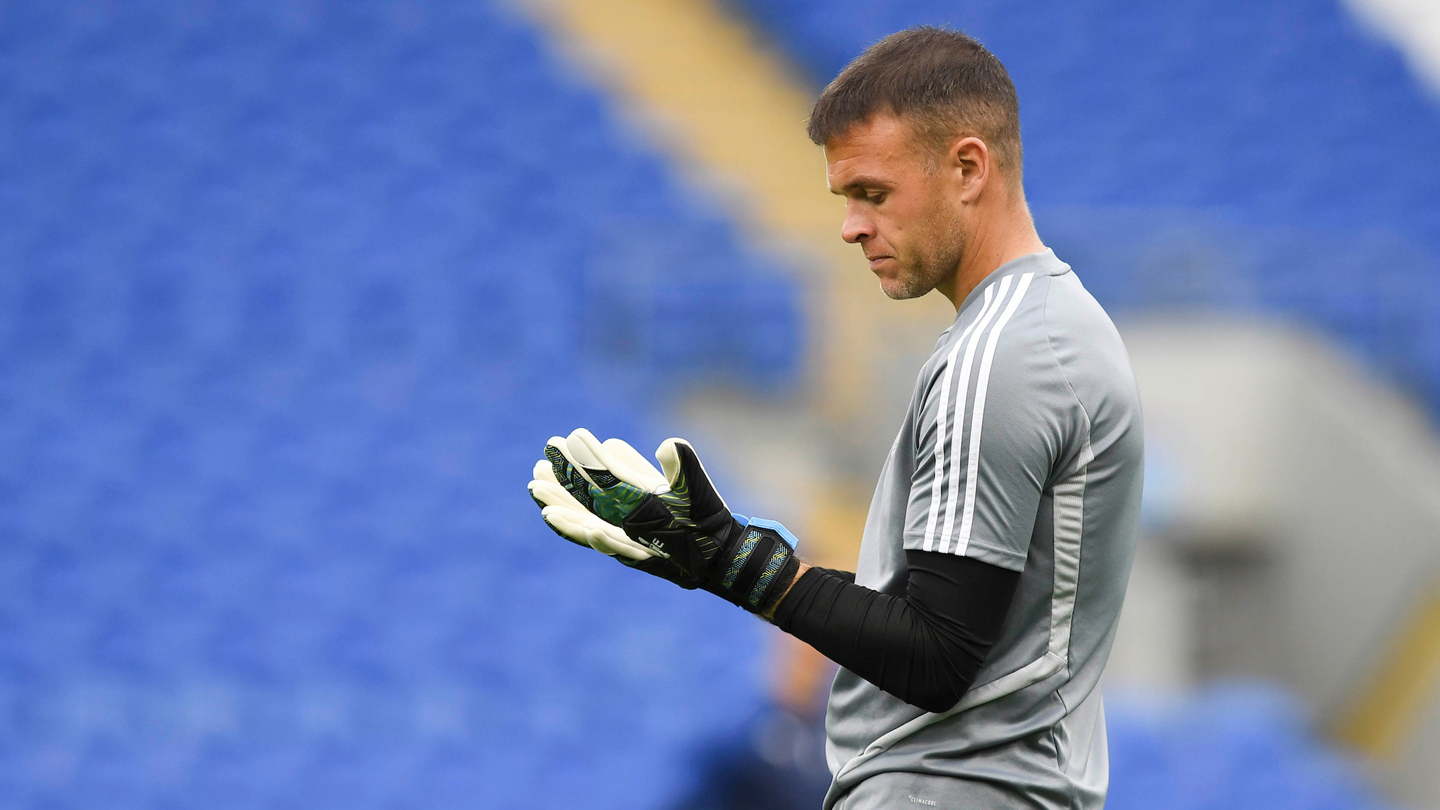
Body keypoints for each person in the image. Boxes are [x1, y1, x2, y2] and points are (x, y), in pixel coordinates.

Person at [529, 26, 1143, 810]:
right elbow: (966, 635)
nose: (851, 227)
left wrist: (737, 565)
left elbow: (937, 655)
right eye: (845, 199)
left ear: (967, 168)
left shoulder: (998, 355)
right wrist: (731, 562)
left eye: (873, 194)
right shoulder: (1063, 325)